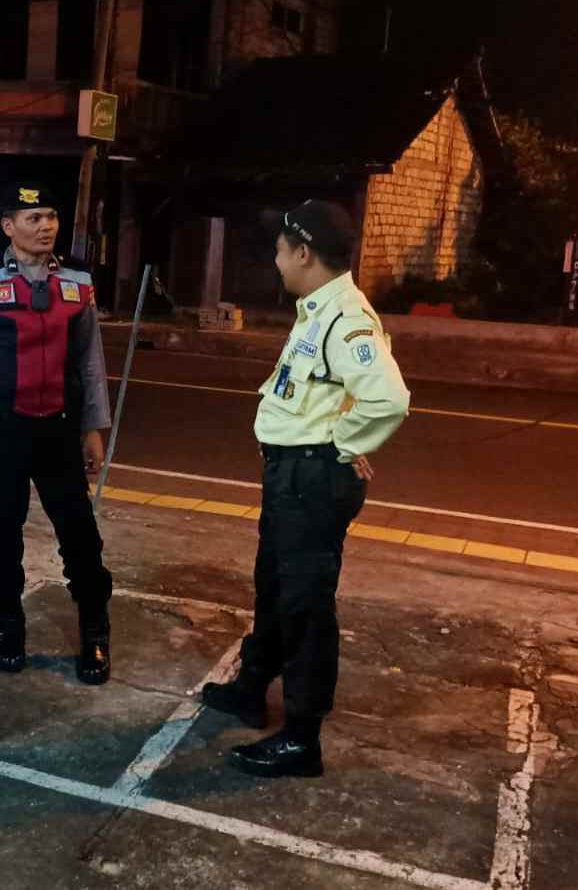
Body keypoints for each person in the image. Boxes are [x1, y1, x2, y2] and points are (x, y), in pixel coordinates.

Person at [199, 199, 410, 778]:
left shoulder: (346, 318)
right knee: (275, 587)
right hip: (292, 476)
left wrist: (341, 444)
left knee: (305, 605)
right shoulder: (319, 308)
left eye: (279, 250)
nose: (274, 260)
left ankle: (301, 737)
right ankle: (251, 688)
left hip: (310, 478)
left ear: (303, 253)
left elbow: (388, 399)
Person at [0, 180, 115, 685]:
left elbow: (90, 361)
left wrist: (93, 428)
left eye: (51, 216)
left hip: (59, 430)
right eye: (33, 218)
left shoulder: (77, 279)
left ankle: (95, 631)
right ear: (8, 226)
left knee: (80, 537)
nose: (45, 226)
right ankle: (9, 626)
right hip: (1, 432)